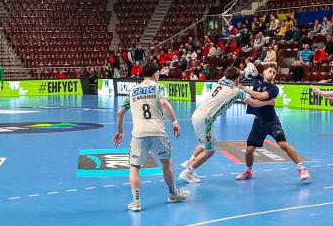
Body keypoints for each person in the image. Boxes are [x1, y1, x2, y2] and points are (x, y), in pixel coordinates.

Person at [114, 60, 188, 212]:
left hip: (138, 133)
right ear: (155, 74)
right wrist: (175, 122)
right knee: (166, 163)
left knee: (134, 167)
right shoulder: (159, 87)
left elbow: (120, 112)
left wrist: (120, 131)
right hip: (158, 132)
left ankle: (136, 202)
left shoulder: (132, 91)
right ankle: (173, 194)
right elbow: (164, 103)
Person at [181, 67, 270, 183]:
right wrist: (269, 102)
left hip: (197, 114)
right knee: (210, 150)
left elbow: (231, 72)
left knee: (204, 143)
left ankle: (189, 162)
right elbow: (254, 103)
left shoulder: (221, 80)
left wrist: (242, 72)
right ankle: (188, 172)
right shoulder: (237, 91)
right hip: (205, 119)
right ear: (237, 79)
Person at [237, 62, 311, 182]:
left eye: (274, 73)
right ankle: (249, 171)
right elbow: (250, 65)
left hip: (271, 121)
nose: (272, 74)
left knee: (283, 144)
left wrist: (243, 88)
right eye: (270, 71)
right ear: (264, 72)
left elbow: (260, 96)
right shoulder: (258, 77)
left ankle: (302, 168)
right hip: (258, 122)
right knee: (249, 149)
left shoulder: (274, 89)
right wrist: (245, 69)